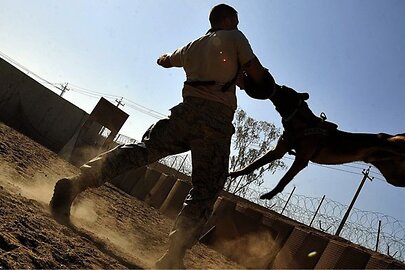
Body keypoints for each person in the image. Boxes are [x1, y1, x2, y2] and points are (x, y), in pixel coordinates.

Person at [49, 3, 275, 269]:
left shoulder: (192, 47)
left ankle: (74, 184)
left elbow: (165, 61)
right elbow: (258, 75)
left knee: (142, 151)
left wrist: (167, 56)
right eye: (235, 20)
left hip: (184, 114)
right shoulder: (236, 38)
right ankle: (173, 257)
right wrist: (262, 83)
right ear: (225, 20)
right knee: (206, 188)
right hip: (214, 123)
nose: (238, 25)